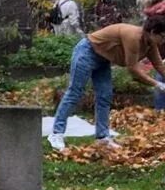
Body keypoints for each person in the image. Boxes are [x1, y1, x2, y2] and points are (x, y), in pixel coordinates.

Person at [47, 15, 165, 151]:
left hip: (103, 60)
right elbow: (133, 69)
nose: (164, 40)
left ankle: (102, 138)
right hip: (87, 52)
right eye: (162, 36)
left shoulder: (150, 44)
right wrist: (157, 84)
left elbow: (159, 66)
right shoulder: (134, 37)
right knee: (75, 93)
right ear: (152, 32)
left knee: (104, 96)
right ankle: (56, 134)